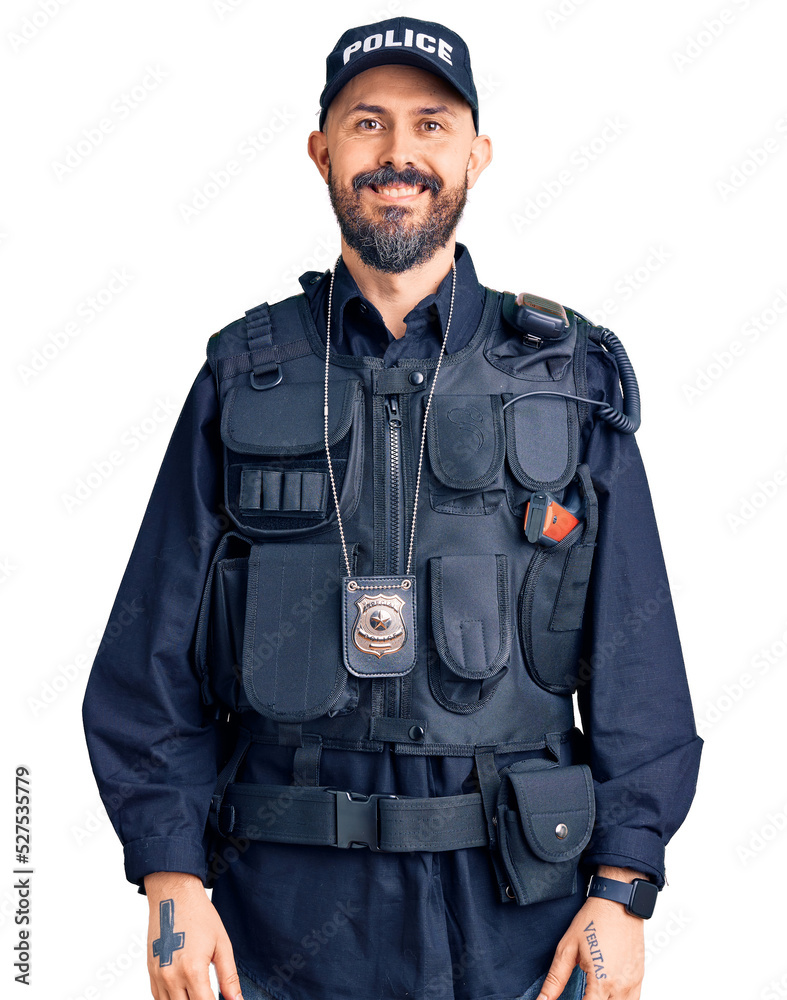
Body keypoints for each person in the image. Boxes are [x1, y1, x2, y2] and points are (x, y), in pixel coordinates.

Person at [82, 16, 703, 1000]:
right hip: (276, 925)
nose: (400, 154)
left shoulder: (567, 381)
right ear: (322, 150)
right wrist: (168, 879)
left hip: (518, 922)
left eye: (431, 123)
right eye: (367, 124)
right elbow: (145, 661)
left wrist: (622, 890)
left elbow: (640, 670)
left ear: (476, 154)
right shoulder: (243, 377)